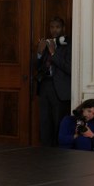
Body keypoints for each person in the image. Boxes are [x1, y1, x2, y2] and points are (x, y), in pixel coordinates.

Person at [36, 16, 72, 146]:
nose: (54, 30)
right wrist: (39, 53)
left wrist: (53, 53)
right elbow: (36, 66)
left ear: (63, 28)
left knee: (58, 122)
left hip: (60, 90)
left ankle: (58, 153)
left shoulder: (69, 45)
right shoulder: (46, 42)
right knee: (45, 122)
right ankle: (45, 152)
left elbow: (69, 68)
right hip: (45, 86)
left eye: (57, 27)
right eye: (52, 27)